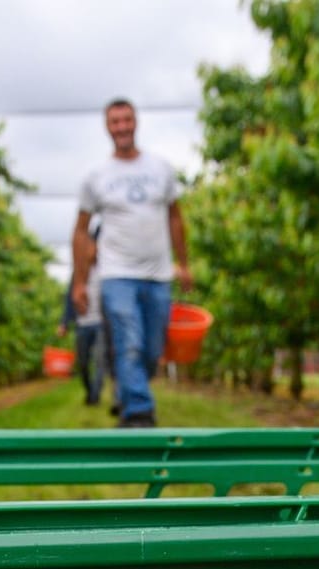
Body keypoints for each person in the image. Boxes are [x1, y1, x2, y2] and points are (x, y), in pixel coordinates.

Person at [72, 98, 191, 428]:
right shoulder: (96, 177)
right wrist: (80, 282)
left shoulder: (161, 169)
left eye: (126, 120)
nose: (122, 127)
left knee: (152, 349)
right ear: (107, 127)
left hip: (157, 274)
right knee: (129, 340)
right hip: (117, 274)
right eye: (115, 122)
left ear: (135, 122)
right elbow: (81, 231)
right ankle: (139, 413)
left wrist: (183, 264)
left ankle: (127, 391)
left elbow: (176, 218)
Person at [57, 226, 108, 406]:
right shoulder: (78, 273)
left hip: (101, 323)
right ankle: (89, 390)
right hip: (83, 323)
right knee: (84, 363)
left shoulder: (106, 271)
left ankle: (95, 395)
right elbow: (70, 298)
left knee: (101, 360)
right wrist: (64, 323)